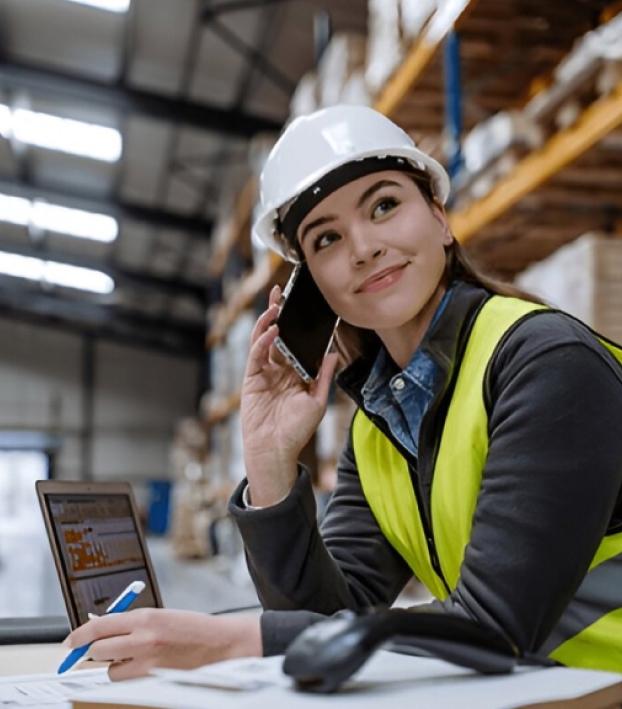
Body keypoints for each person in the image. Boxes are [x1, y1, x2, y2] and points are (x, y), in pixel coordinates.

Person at [64, 105, 622, 680]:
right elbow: (327, 620)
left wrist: (227, 641)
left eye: (384, 205)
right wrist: (270, 465)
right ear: (312, 283)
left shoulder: (547, 364)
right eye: (326, 238)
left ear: (439, 217)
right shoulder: (378, 427)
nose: (362, 247)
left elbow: (497, 624)